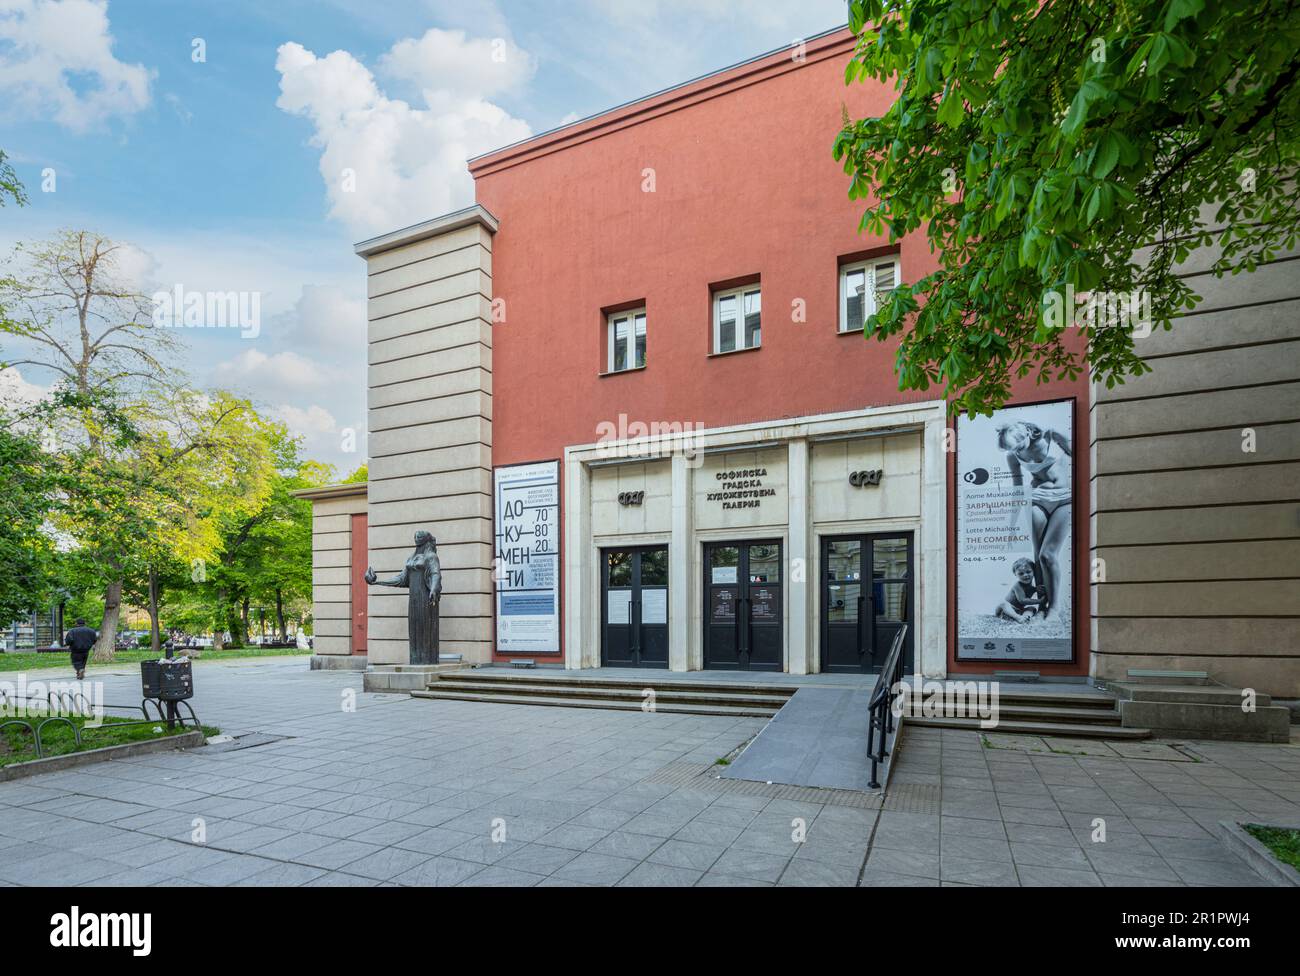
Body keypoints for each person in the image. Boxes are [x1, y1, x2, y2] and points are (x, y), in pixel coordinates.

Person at [998, 419, 1072, 618]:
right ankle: (1042, 606)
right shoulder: (1013, 455)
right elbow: (1018, 488)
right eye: (1011, 448)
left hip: (1065, 498)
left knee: (1048, 555)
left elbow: (1081, 455)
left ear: (1027, 434)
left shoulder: (1050, 435)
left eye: (1018, 445)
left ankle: (1054, 609)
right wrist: (1012, 522)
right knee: (1038, 556)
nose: (1015, 450)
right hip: (1037, 499)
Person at [994, 558, 1046, 623]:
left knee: (1032, 608)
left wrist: (1035, 589)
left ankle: (1026, 617)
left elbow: (1028, 590)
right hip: (1006, 610)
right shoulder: (1017, 585)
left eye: (1028, 572)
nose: (1025, 575)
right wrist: (1039, 601)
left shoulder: (1030, 585)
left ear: (1034, 572)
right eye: (1021, 574)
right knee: (1002, 603)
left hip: (1018, 611)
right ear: (1016, 575)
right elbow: (1022, 600)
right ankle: (1018, 618)